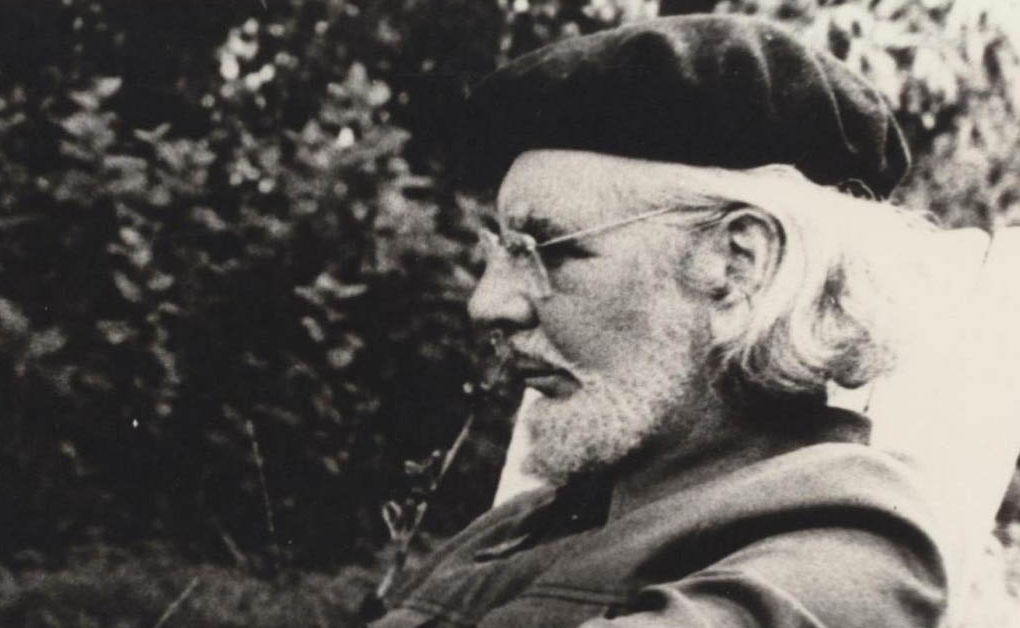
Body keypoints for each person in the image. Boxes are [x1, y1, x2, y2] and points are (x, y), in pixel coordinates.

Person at [369, 15, 952, 628]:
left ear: (738, 264)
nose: (488, 304)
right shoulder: (525, 523)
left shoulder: (847, 542)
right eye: (500, 252)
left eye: (549, 252)